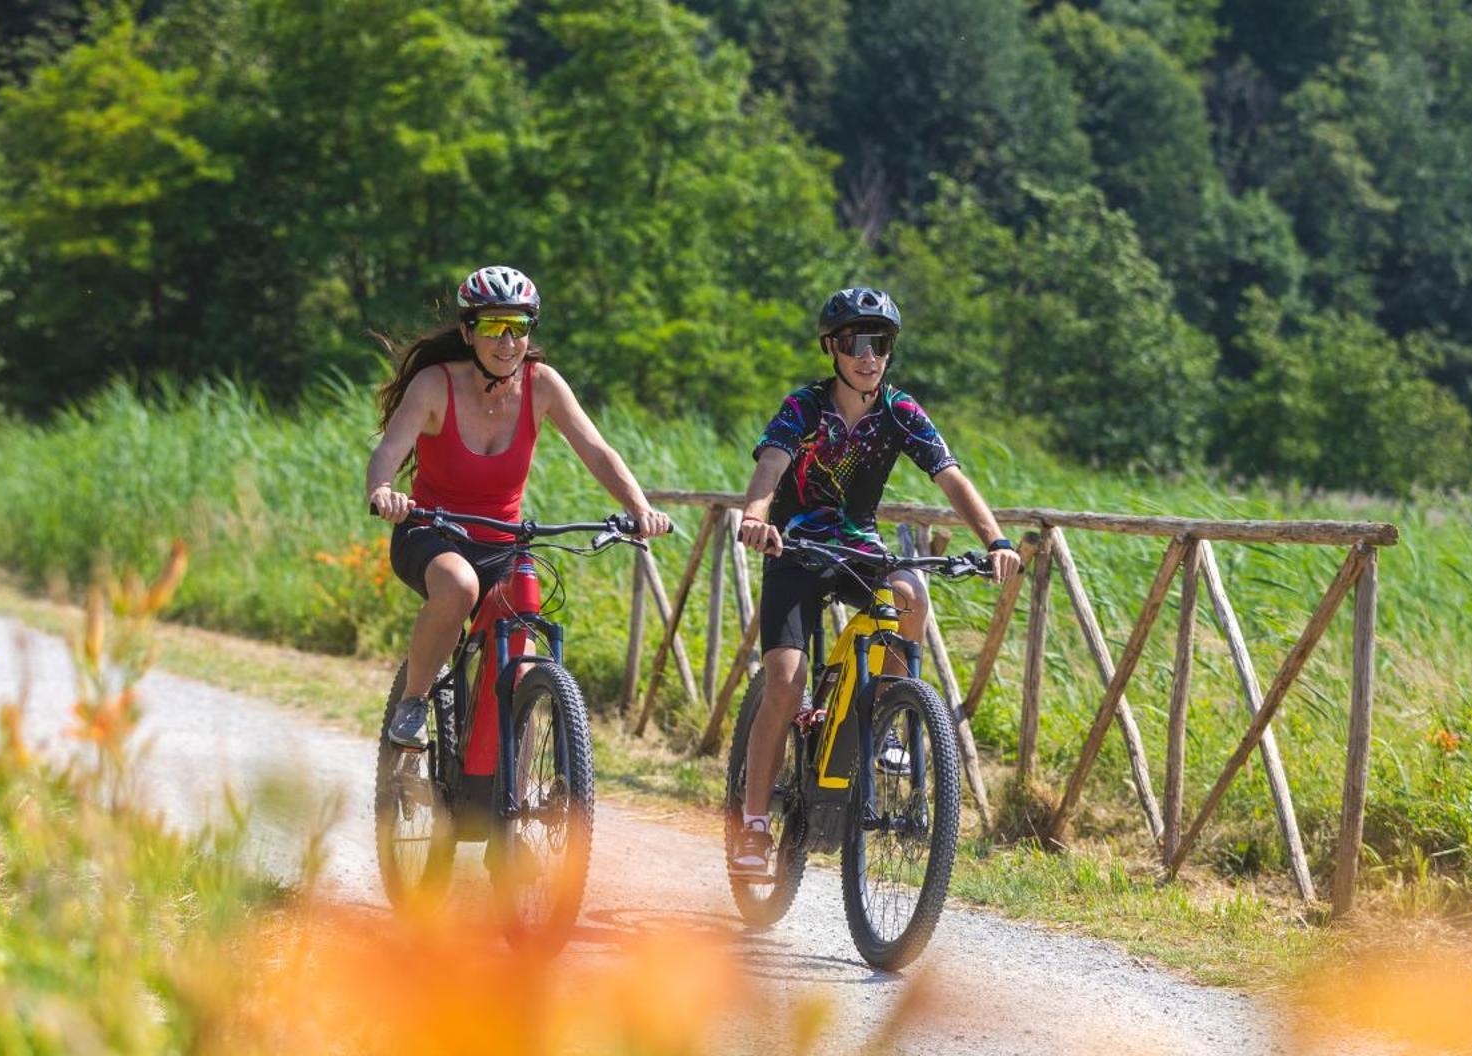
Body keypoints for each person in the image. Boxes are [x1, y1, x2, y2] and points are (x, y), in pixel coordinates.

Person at [730, 286, 1022, 875]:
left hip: (858, 545)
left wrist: (996, 540)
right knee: (786, 679)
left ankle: (887, 715)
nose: (868, 355)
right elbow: (772, 464)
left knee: (911, 594)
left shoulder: (899, 411)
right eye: (854, 343)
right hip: (795, 545)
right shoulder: (804, 407)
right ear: (832, 348)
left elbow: (951, 477)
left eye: (880, 343)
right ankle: (754, 823)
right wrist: (757, 516)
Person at [365, 265, 672, 749]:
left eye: (520, 326)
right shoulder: (434, 385)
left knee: (520, 643)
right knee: (460, 586)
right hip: (431, 532)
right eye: (492, 326)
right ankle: (415, 700)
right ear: (468, 331)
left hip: (502, 540)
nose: (507, 341)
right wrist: (383, 491)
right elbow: (388, 451)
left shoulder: (542, 384)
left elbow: (597, 451)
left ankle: (509, 779)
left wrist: (640, 507)